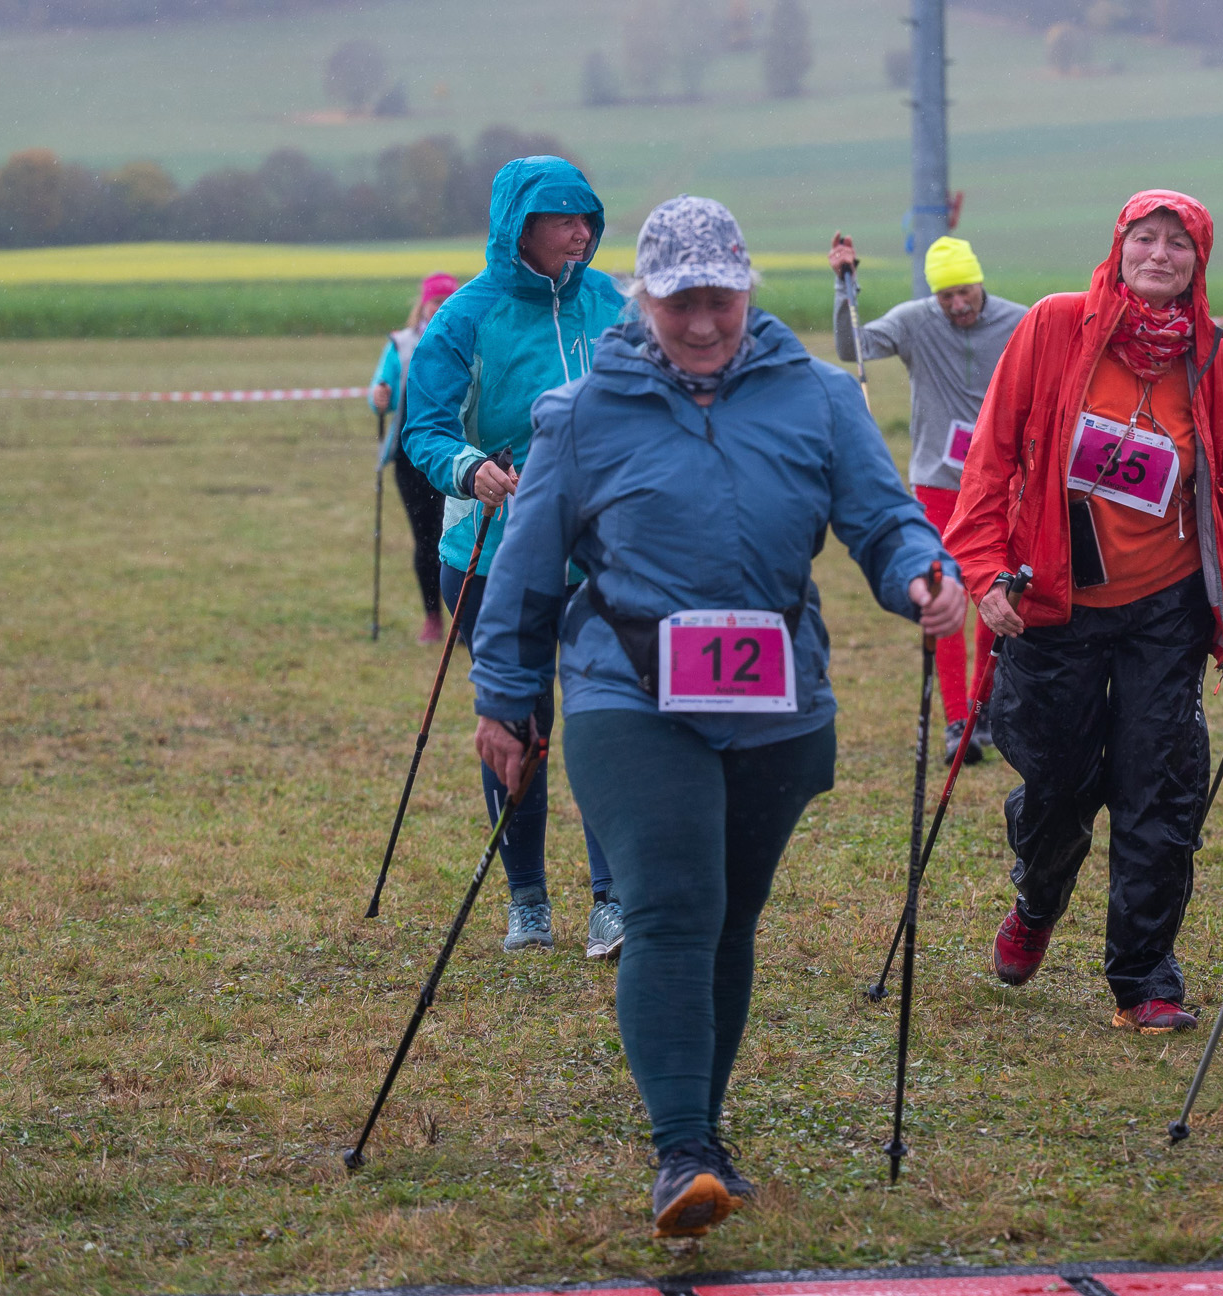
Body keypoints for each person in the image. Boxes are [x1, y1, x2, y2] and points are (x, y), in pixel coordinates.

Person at [466, 196, 965, 1239]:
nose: (701, 322)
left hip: (775, 696)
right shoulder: (581, 412)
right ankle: (683, 1149)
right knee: (671, 904)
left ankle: (706, 1129)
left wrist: (921, 571)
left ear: (747, 291)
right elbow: (526, 567)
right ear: (642, 298)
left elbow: (880, 518)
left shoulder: (817, 396)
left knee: (730, 914)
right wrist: (506, 697)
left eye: (720, 300)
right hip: (626, 688)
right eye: (678, 301)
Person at [943, 190, 1223, 1035]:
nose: (1160, 254)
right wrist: (982, 569)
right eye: (1146, 238)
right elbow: (992, 455)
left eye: (1178, 243)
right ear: (1119, 247)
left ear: (1199, 263)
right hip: (1053, 602)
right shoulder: (1055, 325)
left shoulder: (1210, 355)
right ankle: (1038, 899)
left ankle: (1143, 978)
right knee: (1058, 785)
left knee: (1158, 787)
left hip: (1166, 605)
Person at [401, 156, 628, 959]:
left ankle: (614, 900)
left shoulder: (612, 304)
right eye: (563, 217)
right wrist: (471, 469)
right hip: (490, 555)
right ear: (518, 228)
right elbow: (425, 427)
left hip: (601, 557)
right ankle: (527, 899)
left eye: (587, 216)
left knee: (608, 720)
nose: (581, 231)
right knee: (519, 727)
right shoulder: (466, 317)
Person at [828, 232, 1027, 764]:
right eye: (946, 296)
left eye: (965, 292)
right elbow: (852, 347)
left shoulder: (1019, 321)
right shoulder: (914, 320)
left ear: (979, 282)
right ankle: (957, 718)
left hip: (999, 482)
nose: (958, 304)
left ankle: (985, 710)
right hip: (937, 482)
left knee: (995, 595)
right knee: (945, 596)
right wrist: (845, 287)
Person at [368, 272, 457, 643]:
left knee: (458, 539)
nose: (440, 307)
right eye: (435, 301)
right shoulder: (400, 344)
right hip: (410, 460)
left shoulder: (464, 338)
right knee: (427, 538)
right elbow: (379, 392)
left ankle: (463, 619)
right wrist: (378, 397)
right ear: (423, 304)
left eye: (447, 301)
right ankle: (432, 617)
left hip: (456, 455)